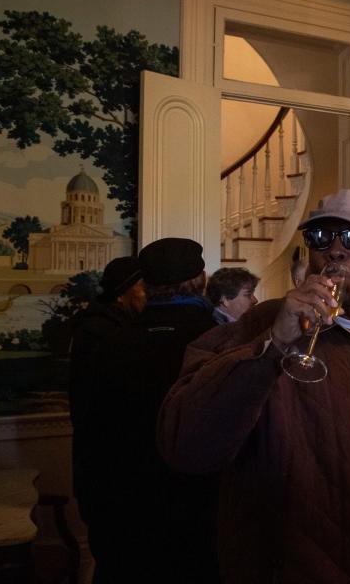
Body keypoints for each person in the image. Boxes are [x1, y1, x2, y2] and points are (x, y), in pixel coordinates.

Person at [157, 189, 350, 583]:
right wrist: (273, 346)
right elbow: (186, 447)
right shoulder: (255, 325)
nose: (334, 250)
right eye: (320, 238)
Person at [137, 237, 219, 583]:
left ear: (145, 285)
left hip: (128, 501)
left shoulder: (112, 339)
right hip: (201, 501)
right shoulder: (218, 339)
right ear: (201, 280)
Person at [68, 255, 146, 582]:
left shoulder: (101, 326)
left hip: (100, 467)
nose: (148, 294)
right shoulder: (106, 334)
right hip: (106, 467)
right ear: (122, 292)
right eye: (144, 287)